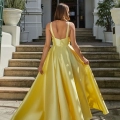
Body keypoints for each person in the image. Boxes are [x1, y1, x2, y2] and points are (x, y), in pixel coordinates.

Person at [11, 3, 109, 120]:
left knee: (55, 85)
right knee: (70, 85)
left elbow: (47, 46)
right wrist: (83, 59)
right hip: (67, 56)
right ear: (65, 12)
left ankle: (56, 113)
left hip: (54, 56)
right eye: (67, 11)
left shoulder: (49, 25)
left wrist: (41, 64)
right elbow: (75, 45)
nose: (68, 13)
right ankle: (72, 113)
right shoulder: (70, 25)